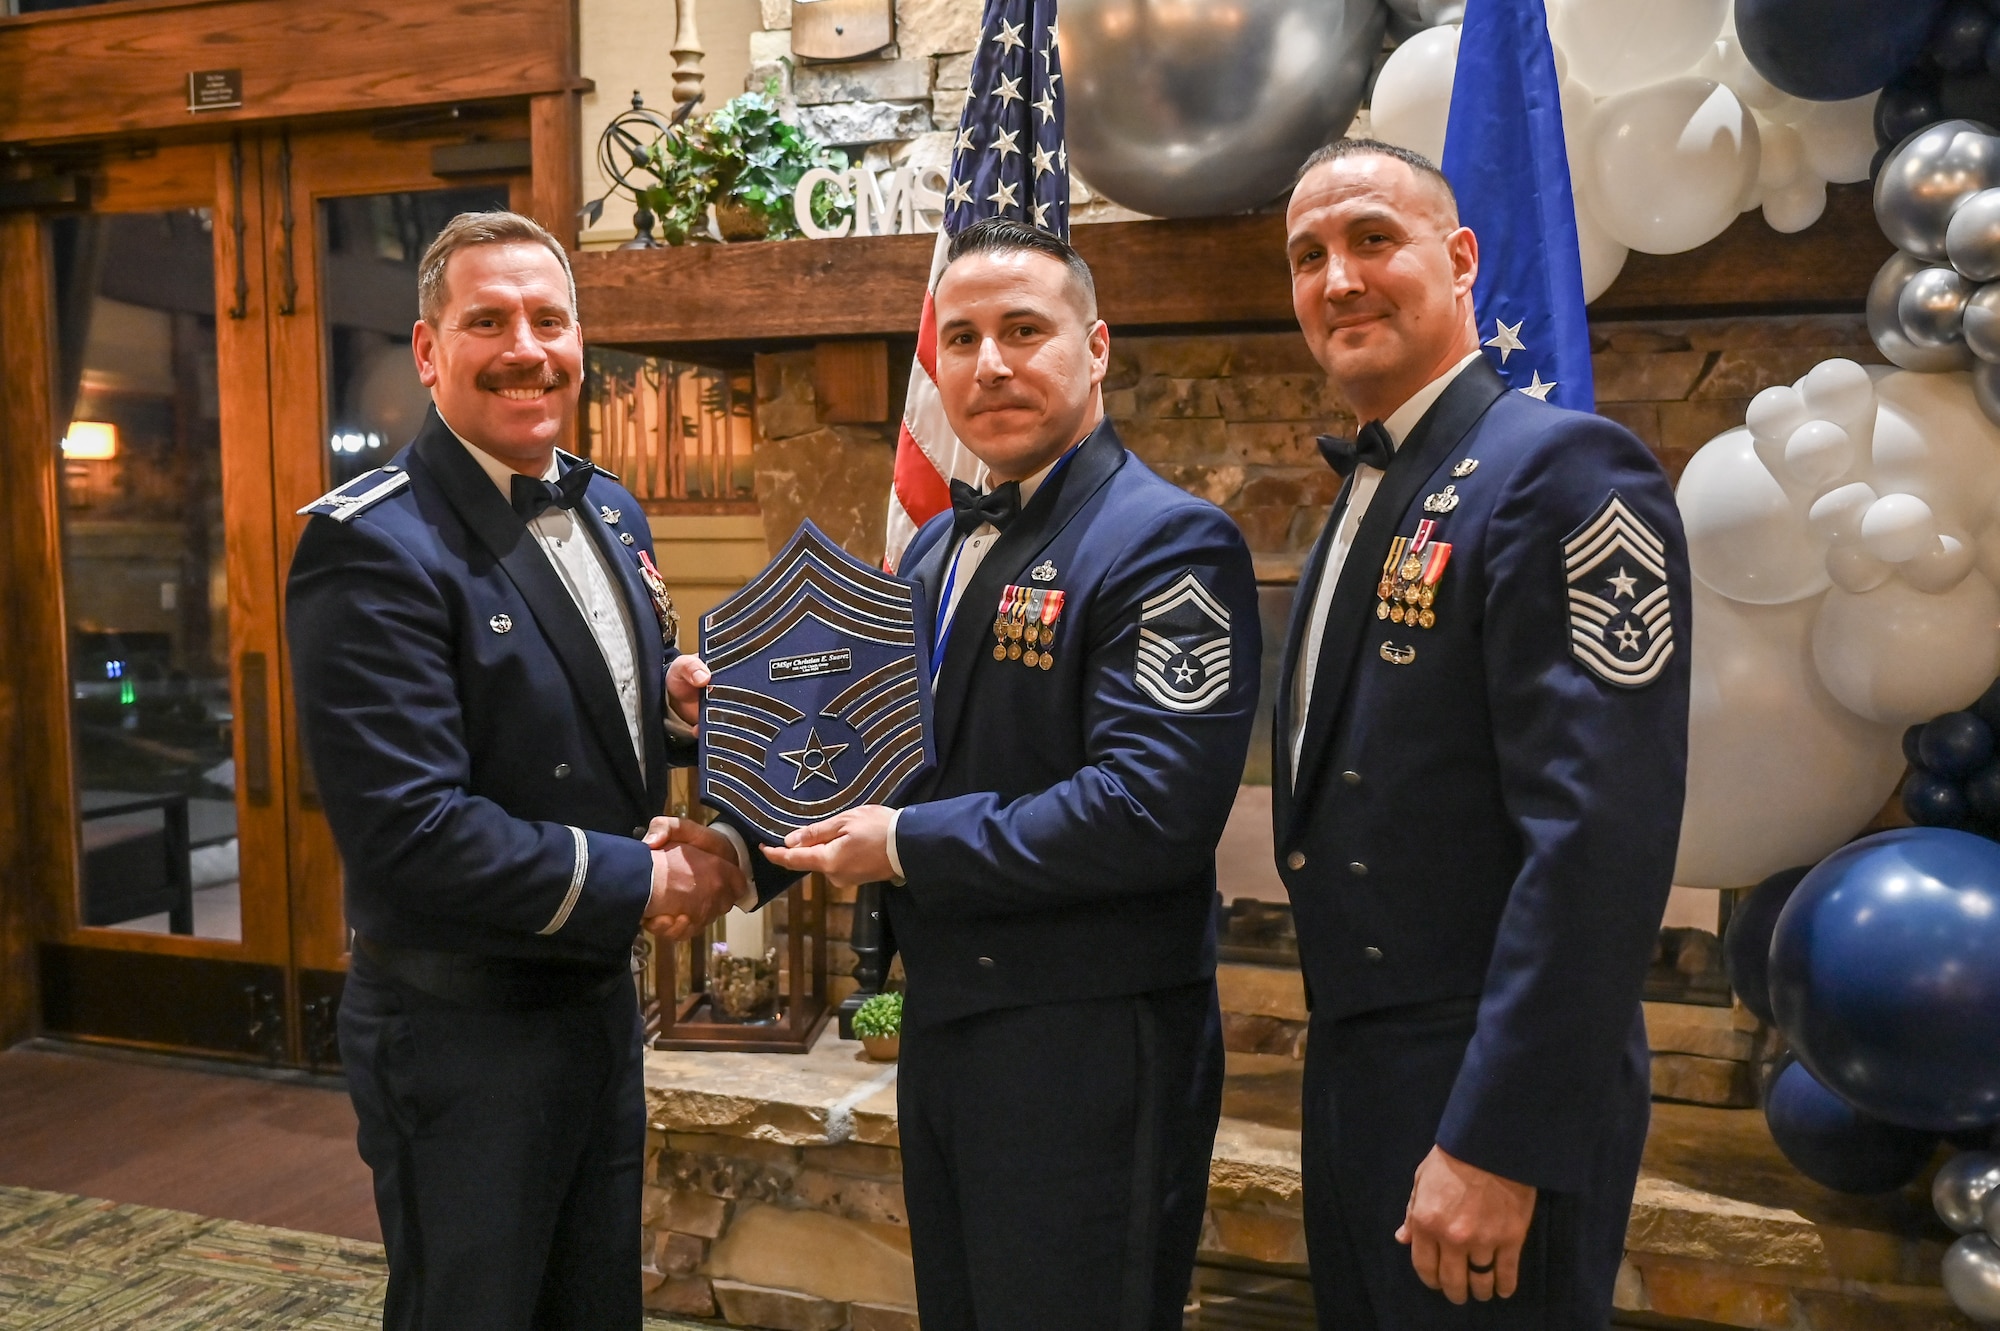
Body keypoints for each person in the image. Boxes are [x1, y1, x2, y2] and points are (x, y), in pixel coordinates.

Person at [754, 217, 1260, 1331]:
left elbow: (1145, 810)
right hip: (949, 1020)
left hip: (1087, 1043)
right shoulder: (936, 546)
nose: (988, 363)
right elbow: (875, 748)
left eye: (1023, 330)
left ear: (1096, 348)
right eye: (961, 336)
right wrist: (723, 744)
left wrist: (900, 844)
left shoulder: (1168, 541)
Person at [286, 210, 749, 1331]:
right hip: (460, 1027)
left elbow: (586, 721)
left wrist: (683, 715)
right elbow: (412, 827)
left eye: (549, 319)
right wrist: (649, 883)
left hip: (590, 1002)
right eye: (487, 320)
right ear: (429, 349)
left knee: (593, 1304)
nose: (525, 347)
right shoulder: (371, 544)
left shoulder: (609, 507)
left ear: (581, 341)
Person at [1272, 139, 1690, 1328]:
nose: (1337, 279)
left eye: (1369, 240)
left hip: (1483, 1088)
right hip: (1363, 1073)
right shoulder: (1376, 487)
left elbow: (1596, 837)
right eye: (1307, 257)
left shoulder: (1558, 470)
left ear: (1458, 260)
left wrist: (1498, 1139)